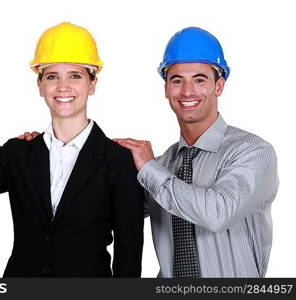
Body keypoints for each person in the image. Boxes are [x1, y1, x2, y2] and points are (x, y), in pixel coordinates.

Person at [0, 22, 144, 277]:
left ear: (92, 84)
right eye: (52, 76)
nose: (62, 86)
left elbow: (128, 257)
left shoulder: (119, 161)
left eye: (75, 75)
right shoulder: (18, 155)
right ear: (40, 86)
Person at [115, 27, 279, 277]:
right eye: (177, 80)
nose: (187, 91)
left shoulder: (253, 152)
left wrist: (150, 169)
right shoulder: (162, 166)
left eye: (199, 80)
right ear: (166, 89)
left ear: (219, 85)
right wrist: (47, 152)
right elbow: (106, 210)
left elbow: (217, 214)